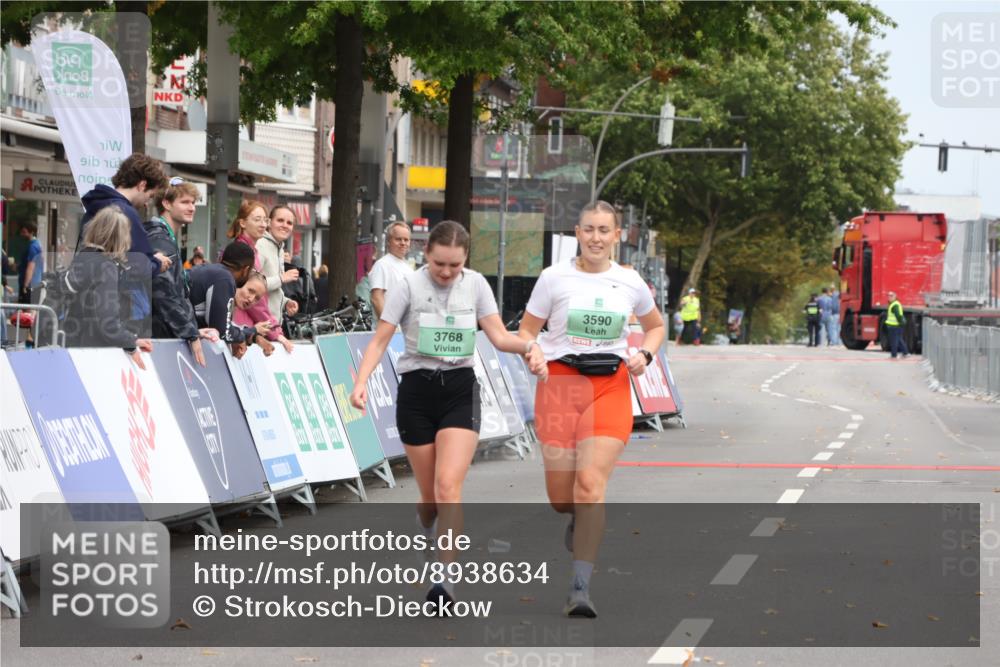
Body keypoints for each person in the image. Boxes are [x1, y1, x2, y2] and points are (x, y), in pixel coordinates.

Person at [349, 220, 546, 609]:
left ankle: (445, 581)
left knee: (447, 487)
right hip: (417, 393)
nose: (446, 273)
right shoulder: (407, 285)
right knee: (429, 498)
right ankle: (425, 530)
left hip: (459, 389)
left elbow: (501, 336)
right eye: (440, 264)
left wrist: (529, 349)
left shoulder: (475, 285)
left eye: (454, 265)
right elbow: (380, 339)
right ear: (427, 255)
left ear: (465, 260)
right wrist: (361, 382)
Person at [517, 201, 666, 618]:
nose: (596, 238)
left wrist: (646, 356)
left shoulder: (630, 281)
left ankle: (580, 588)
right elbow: (528, 330)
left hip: (610, 386)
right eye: (589, 230)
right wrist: (533, 352)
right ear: (577, 233)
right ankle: (576, 519)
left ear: (617, 235)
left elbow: (655, 327)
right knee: (562, 498)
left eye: (604, 230)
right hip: (560, 387)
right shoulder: (553, 278)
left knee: (590, 487)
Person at [79, 153, 172, 335]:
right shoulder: (126, 213)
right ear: (142, 184)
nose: (147, 203)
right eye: (150, 195)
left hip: (91, 307)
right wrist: (157, 263)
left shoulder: (95, 207)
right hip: (123, 309)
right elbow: (134, 265)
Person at [62, 207, 154, 368]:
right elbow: (108, 322)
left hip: (73, 346)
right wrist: (130, 342)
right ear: (121, 236)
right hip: (97, 353)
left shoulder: (82, 258)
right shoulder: (106, 266)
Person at [145, 177, 211, 366]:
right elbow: (163, 294)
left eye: (193, 202)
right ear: (166, 203)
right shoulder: (160, 239)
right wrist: (190, 333)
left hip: (162, 338)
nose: (192, 208)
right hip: (158, 341)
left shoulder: (166, 237)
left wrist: (194, 330)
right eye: (185, 202)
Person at [227, 201, 292, 353]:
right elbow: (254, 299)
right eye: (257, 220)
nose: (263, 224)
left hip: (247, 327)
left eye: (265, 220)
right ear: (242, 223)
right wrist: (275, 332)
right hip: (241, 325)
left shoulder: (252, 250)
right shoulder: (244, 252)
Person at [188, 242, 267, 360]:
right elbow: (222, 331)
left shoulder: (213, 271)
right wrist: (248, 333)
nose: (251, 299)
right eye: (250, 291)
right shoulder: (225, 278)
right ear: (246, 270)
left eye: (257, 298)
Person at [257, 205, 300, 322]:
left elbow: (273, 290)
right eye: (280, 220)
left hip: (272, 325)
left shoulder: (280, 249)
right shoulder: (259, 245)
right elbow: (253, 285)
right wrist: (282, 278)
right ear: (269, 223)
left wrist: (285, 302)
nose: (285, 225)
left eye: (289, 223)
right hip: (258, 325)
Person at [368, 221, 414, 319]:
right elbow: (376, 298)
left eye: (406, 240)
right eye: (398, 239)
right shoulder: (382, 265)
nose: (403, 243)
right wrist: (389, 326)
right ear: (388, 241)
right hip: (391, 331)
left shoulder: (409, 269)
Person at [16, 221, 43, 305]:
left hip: (30, 284)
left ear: (31, 232)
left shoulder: (33, 247)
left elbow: (30, 267)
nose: (22, 234)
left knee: (27, 312)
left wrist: (25, 285)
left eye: (24, 232)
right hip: (35, 283)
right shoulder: (37, 244)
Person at [885, 290, 909, 359]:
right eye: (889, 296)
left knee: (894, 341)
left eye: (891, 296)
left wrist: (900, 323)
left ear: (895, 296)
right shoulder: (893, 304)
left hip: (895, 326)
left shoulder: (895, 305)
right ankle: (905, 353)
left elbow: (898, 315)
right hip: (894, 325)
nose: (889, 297)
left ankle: (894, 355)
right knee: (898, 339)